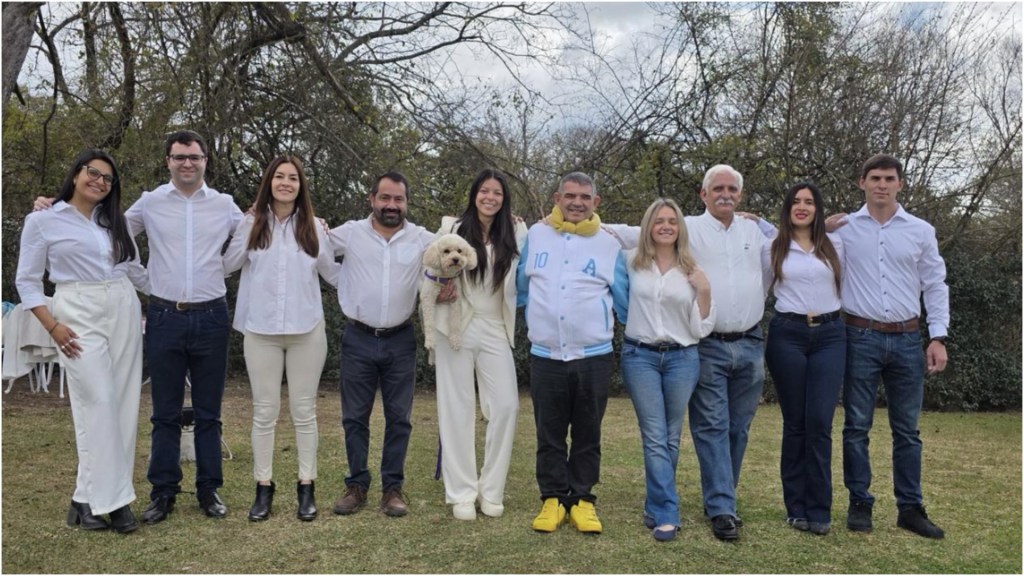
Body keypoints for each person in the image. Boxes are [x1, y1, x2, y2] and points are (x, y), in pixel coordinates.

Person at [602, 164, 769, 541]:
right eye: (718, 188)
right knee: (682, 431)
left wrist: (828, 224)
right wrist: (566, 219)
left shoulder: (751, 231)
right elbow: (622, 234)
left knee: (731, 430)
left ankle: (703, 500)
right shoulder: (677, 233)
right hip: (672, 351)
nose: (725, 194)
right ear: (703, 193)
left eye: (732, 189)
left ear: (740, 195)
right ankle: (689, 508)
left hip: (733, 345)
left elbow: (786, 245)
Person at [17, 149, 148, 534]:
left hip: (122, 304)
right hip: (75, 311)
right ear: (76, 174)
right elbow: (27, 281)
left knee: (123, 404)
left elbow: (137, 273)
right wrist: (52, 326)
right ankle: (117, 503)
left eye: (108, 178)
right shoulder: (42, 220)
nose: (100, 181)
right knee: (99, 401)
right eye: (93, 173)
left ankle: (83, 500)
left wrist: (190, 292)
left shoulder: (115, 223)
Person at [827, 154, 949, 539]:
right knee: (856, 425)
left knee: (907, 430)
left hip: (908, 338)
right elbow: (794, 238)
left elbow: (935, 284)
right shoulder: (842, 228)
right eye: (875, 178)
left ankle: (910, 508)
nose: (882, 184)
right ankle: (859, 501)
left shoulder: (920, 230)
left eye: (889, 178)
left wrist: (938, 336)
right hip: (858, 335)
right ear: (862, 182)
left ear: (900, 183)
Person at [223, 156, 341, 522]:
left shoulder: (315, 228)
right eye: (279, 177)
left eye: (293, 178)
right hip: (261, 332)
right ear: (269, 182)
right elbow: (226, 265)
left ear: (300, 185)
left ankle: (306, 487)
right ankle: (263, 487)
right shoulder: (251, 223)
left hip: (307, 332)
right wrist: (240, 225)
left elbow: (334, 275)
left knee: (304, 413)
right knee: (264, 413)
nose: (286, 183)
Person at [515, 171, 627, 535]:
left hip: (593, 356)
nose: (576, 202)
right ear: (557, 198)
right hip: (546, 355)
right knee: (548, 432)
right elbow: (521, 289)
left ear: (596, 202)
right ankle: (551, 498)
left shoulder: (609, 244)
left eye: (584, 196)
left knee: (587, 432)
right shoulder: (536, 235)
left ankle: (581, 499)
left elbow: (624, 300)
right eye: (569, 196)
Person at [328, 171, 437, 518]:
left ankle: (392, 488)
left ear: (406, 202)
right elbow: (310, 245)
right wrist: (340, 281)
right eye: (385, 198)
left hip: (401, 339)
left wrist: (514, 226)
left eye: (399, 199)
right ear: (372, 199)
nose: (392, 205)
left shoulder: (422, 238)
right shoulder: (349, 233)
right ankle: (356, 485)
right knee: (354, 418)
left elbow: (462, 244)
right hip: (358, 337)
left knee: (399, 419)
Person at [611, 198, 715, 542]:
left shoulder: (693, 268)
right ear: (648, 226)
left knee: (670, 437)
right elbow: (600, 230)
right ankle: (668, 512)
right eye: (659, 221)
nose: (666, 226)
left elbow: (702, 326)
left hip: (682, 358)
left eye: (672, 220)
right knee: (655, 436)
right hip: (640, 356)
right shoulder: (630, 260)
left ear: (679, 227)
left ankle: (655, 504)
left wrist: (704, 290)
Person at [432, 169, 527, 521]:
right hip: (456, 323)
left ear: (504, 199)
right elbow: (428, 266)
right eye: (484, 191)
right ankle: (461, 493)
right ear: (474, 194)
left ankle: (491, 490)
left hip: (495, 326)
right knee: (456, 407)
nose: (490, 197)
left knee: (506, 406)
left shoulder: (517, 231)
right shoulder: (452, 229)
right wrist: (439, 286)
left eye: (497, 192)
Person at [761, 182, 845, 536]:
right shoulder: (773, 246)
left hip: (830, 335)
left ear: (818, 209)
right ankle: (796, 507)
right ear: (787, 207)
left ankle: (819, 508)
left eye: (809, 202)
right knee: (795, 424)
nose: (802, 206)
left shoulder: (836, 243)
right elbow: (759, 289)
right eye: (795, 201)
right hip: (788, 334)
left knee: (820, 422)